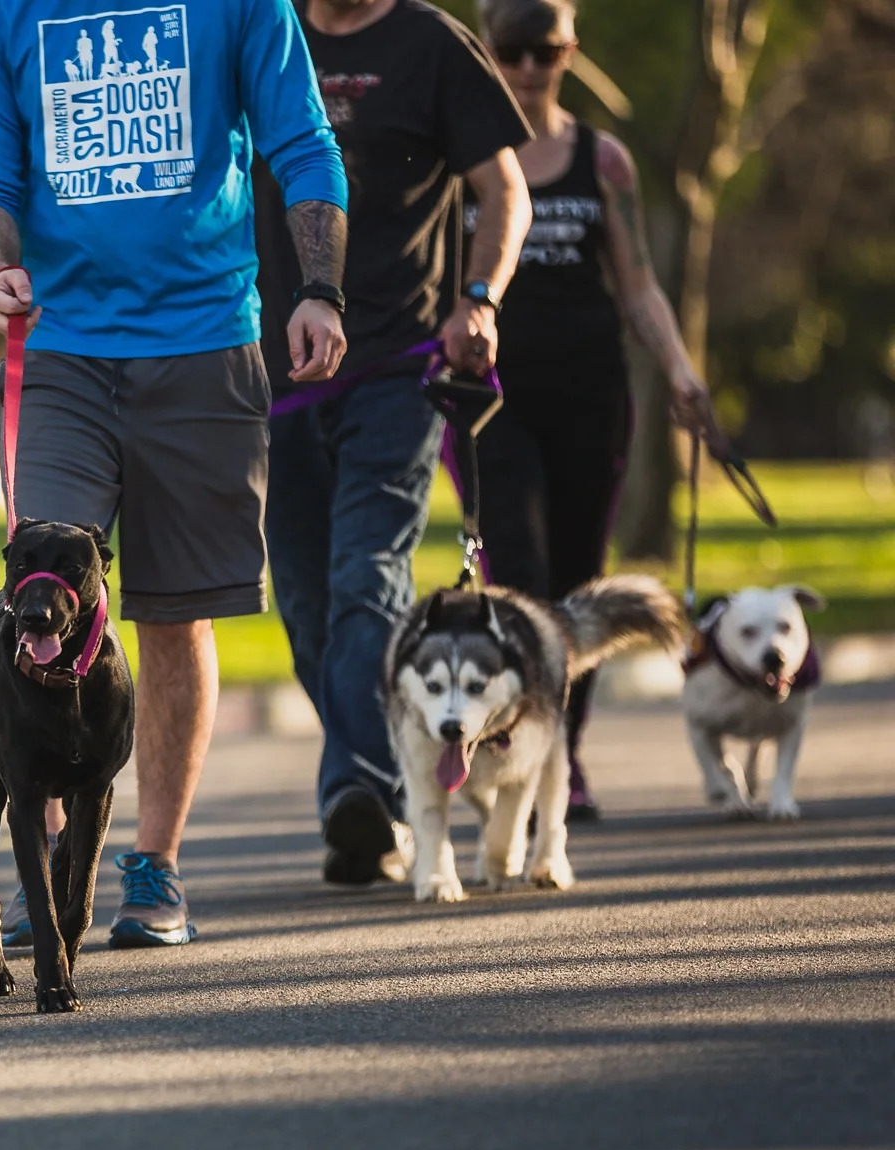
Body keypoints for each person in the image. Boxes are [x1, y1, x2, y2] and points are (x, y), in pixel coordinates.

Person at [0, 0, 351, 947]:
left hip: (205, 340)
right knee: (38, 594)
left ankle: (155, 866)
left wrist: (321, 290)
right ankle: (47, 864)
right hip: (60, 348)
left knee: (176, 610)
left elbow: (303, 143)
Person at [255, 0, 533, 887]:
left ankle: (362, 793)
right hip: (273, 362)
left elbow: (505, 192)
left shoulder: (430, 43)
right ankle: (372, 779)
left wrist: (480, 297)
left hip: (399, 359)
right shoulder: (258, 27)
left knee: (366, 573)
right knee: (302, 599)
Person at [470, 0, 729, 821]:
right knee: (519, 576)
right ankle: (513, 742)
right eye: (510, 51)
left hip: (591, 398)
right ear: (486, 49)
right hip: (491, 404)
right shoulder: (463, 157)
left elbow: (640, 284)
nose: (526, 69)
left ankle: (563, 756)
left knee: (578, 584)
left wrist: (682, 373)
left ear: (570, 52)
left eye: (544, 51)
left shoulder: (604, 162)